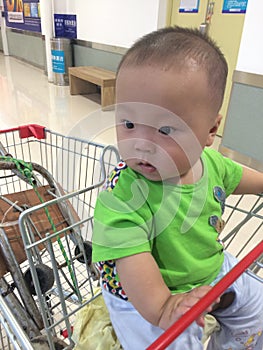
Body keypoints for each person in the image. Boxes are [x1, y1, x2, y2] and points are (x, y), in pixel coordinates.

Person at [92, 26, 263, 349]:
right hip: (148, 295)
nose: (142, 145)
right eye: (129, 124)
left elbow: (239, 176)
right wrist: (165, 308)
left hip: (212, 269)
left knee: (258, 310)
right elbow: (133, 262)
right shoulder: (122, 198)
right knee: (169, 342)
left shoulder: (210, 164)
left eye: (165, 129)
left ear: (210, 130)